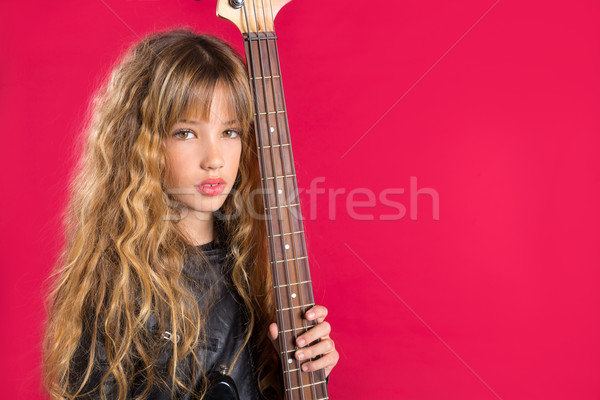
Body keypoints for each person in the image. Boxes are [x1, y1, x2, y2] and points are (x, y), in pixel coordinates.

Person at [42, 29, 338, 400]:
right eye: (185, 133)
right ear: (141, 144)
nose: (214, 158)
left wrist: (301, 372)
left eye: (229, 131)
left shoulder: (256, 267)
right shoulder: (115, 287)